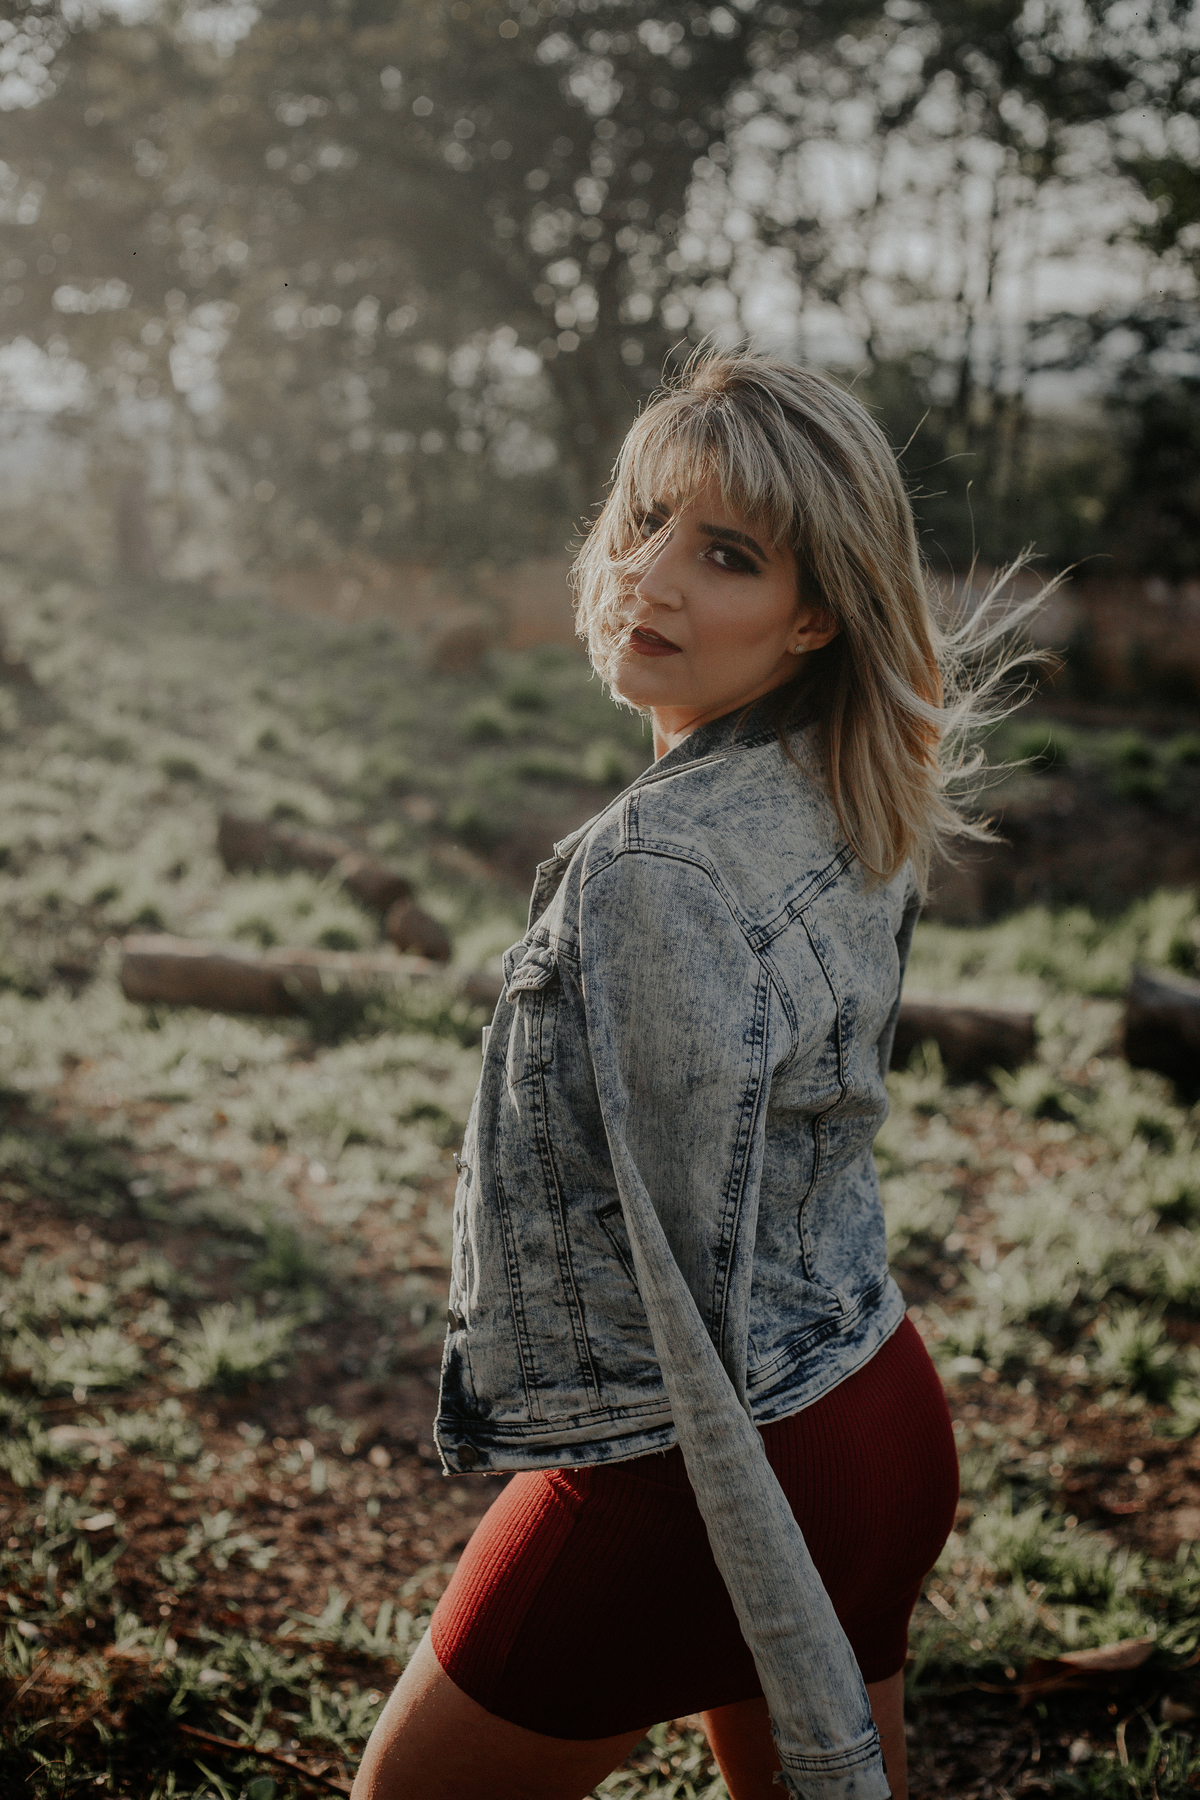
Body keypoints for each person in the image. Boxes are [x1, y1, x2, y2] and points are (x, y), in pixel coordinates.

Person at [353, 352, 1006, 1800]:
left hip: (710, 1472)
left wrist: (747, 1554)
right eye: (643, 519)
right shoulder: (842, 790)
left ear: (815, 612)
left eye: (725, 554)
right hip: (880, 1412)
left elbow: (678, 1295)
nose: (646, 575)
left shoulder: (653, 865)